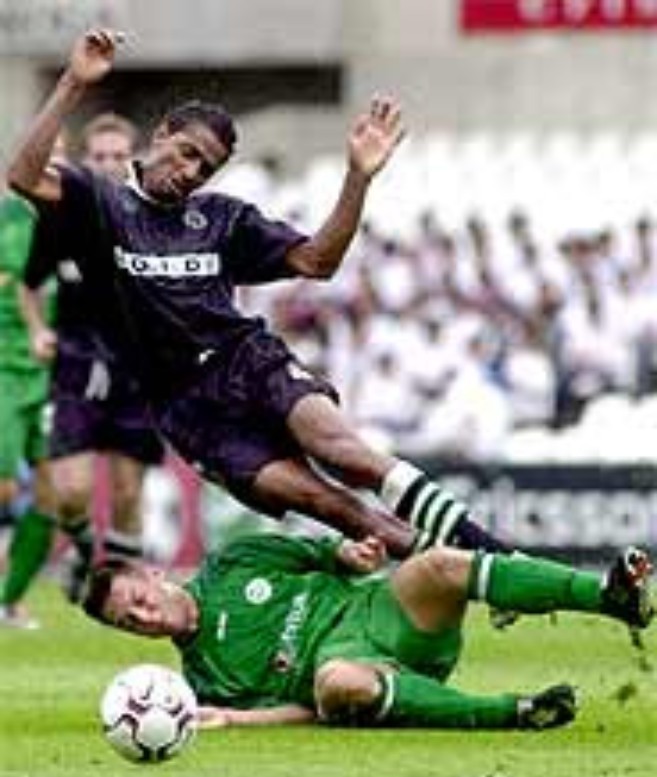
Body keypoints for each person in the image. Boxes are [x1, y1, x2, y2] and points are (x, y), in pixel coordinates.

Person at [7, 29, 515, 563]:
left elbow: (318, 262)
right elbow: (22, 176)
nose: (190, 173)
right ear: (161, 134)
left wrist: (357, 179)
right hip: (188, 408)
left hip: (249, 362)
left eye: (205, 168)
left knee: (349, 454)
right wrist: (74, 82)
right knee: (335, 508)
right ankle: (479, 570)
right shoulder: (100, 202)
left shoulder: (223, 218)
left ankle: (500, 558)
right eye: (186, 154)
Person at [82, 532, 654, 729]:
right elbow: (308, 713)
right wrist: (235, 718)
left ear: (152, 574)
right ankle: (516, 711)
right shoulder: (203, 683)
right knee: (335, 684)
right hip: (364, 674)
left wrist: (354, 553)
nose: (144, 618)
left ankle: (611, 598)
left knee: (438, 564)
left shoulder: (234, 562)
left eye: (138, 601)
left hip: (386, 615)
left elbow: (327, 553)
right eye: (128, 623)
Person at [19, 112, 165, 602]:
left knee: (127, 492)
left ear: (134, 161)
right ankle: (82, 549)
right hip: (77, 361)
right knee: (72, 491)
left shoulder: (153, 217)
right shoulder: (59, 217)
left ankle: (120, 593)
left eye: (119, 156)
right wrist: (39, 330)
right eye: (99, 156)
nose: (108, 164)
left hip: (135, 368)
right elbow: (29, 282)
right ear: (86, 161)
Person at [0, 178, 58, 628]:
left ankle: (9, 600)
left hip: (56, 374)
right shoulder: (7, 220)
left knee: (53, 498)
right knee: (3, 487)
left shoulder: (77, 221)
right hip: (4, 368)